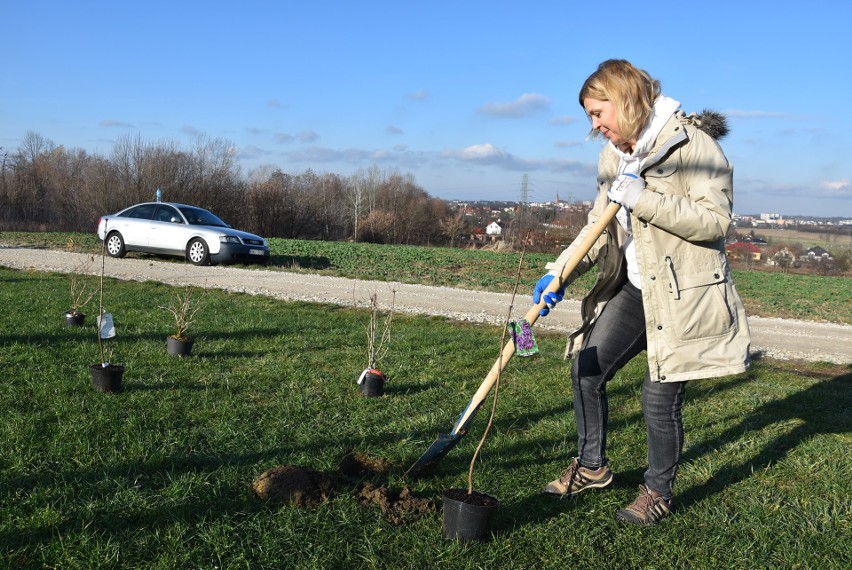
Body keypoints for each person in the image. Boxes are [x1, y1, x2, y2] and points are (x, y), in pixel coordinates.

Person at [533, 59, 751, 525]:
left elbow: (715, 222)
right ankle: (591, 466)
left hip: (682, 295)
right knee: (587, 369)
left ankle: (657, 492)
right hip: (635, 287)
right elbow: (598, 225)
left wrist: (642, 198)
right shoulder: (614, 157)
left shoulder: (692, 144)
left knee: (658, 398)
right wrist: (559, 273)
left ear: (625, 98)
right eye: (589, 116)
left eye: (598, 113)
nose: (595, 126)